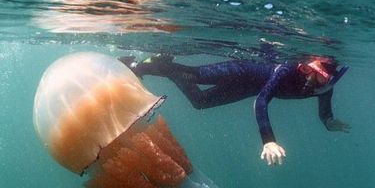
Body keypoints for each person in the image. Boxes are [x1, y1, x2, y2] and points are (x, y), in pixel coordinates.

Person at [120, 53, 350, 166]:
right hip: (243, 71)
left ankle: (165, 64)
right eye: (309, 70)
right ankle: (137, 65)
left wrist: (329, 122)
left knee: (200, 102)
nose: (309, 77)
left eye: (319, 77)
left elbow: (325, 111)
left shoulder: (323, 89)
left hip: (247, 87)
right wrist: (268, 140)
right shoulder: (287, 70)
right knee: (196, 75)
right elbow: (261, 101)